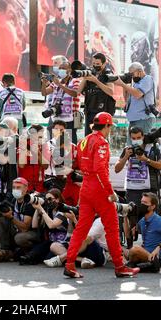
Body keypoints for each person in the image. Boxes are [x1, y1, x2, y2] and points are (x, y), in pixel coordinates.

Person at [64, 112, 140, 278]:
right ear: (107, 126)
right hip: (99, 190)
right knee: (112, 228)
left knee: (81, 229)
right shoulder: (102, 143)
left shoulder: (84, 141)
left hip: (85, 189)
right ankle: (120, 266)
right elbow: (99, 170)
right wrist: (110, 192)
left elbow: (77, 164)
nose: (110, 129)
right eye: (110, 126)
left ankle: (69, 264)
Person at [114, 127, 161, 248]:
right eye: (133, 138)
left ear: (143, 137)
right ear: (130, 138)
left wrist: (145, 159)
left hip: (148, 189)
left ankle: (149, 245)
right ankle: (130, 246)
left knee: (150, 218)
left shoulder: (152, 149)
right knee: (129, 217)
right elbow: (117, 169)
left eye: (138, 138)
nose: (136, 140)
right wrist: (126, 156)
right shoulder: (127, 149)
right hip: (132, 190)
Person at [18, 189, 74, 265]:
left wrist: (42, 210)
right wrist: (38, 209)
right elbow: (34, 225)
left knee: (47, 255)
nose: (48, 201)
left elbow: (52, 225)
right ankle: (29, 257)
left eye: (50, 199)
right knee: (44, 247)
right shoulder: (49, 211)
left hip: (63, 243)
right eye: (46, 199)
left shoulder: (63, 211)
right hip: (52, 242)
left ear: (58, 199)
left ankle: (76, 259)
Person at [127, 193, 161, 272]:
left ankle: (154, 264)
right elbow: (130, 234)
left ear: (153, 206)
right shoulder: (143, 220)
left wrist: (158, 248)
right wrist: (125, 216)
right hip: (146, 255)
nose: (142, 205)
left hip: (157, 257)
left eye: (145, 203)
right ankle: (142, 266)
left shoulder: (158, 220)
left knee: (135, 249)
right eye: (142, 202)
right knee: (122, 250)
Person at [41, 56, 81, 144]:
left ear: (69, 70)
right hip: (57, 119)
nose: (61, 70)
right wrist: (44, 84)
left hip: (70, 119)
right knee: (56, 143)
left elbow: (75, 93)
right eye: (60, 68)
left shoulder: (75, 81)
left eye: (63, 68)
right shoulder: (56, 81)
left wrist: (60, 85)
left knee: (69, 144)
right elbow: (44, 93)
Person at [114, 62, 156, 139]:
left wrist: (122, 84)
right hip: (133, 120)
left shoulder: (147, 79)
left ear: (139, 71)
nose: (132, 77)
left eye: (132, 74)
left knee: (140, 146)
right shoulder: (135, 85)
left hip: (143, 119)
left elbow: (138, 94)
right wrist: (124, 84)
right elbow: (126, 99)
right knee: (131, 148)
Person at [78, 52, 116, 136]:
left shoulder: (108, 74)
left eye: (98, 64)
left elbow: (111, 92)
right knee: (89, 137)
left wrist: (96, 81)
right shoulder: (91, 72)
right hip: (89, 110)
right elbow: (78, 91)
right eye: (94, 63)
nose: (95, 66)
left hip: (102, 112)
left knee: (100, 137)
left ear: (104, 63)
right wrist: (85, 78)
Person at [17, 124, 48, 193]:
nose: (42, 138)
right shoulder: (23, 145)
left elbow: (46, 166)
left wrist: (38, 153)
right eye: (40, 136)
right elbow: (21, 165)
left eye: (42, 136)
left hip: (39, 186)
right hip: (25, 186)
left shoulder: (43, 146)